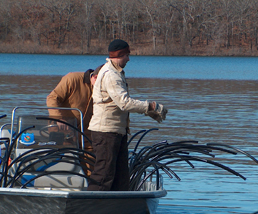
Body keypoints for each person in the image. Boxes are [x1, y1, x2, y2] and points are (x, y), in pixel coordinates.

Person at [87, 39, 167, 191]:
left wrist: (148, 111)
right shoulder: (111, 75)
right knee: (103, 175)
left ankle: (117, 209)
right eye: (127, 55)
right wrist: (150, 107)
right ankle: (91, 207)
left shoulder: (115, 72)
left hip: (116, 132)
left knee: (120, 176)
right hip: (105, 133)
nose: (129, 59)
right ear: (119, 54)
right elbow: (124, 103)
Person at [46, 69, 99, 174]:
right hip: (62, 131)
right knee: (63, 165)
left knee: (92, 167)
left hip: (87, 135)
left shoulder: (104, 89)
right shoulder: (72, 79)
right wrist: (59, 119)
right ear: (95, 77)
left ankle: (89, 187)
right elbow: (52, 98)